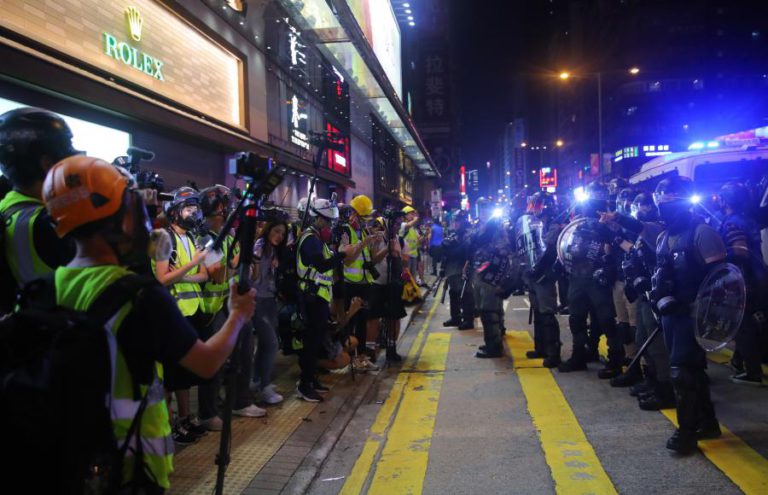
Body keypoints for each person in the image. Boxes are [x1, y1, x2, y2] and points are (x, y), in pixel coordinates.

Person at [42, 155, 255, 492]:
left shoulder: (48, 285)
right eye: (135, 205)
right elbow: (207, 362)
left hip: (71, 457)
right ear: (119, 218)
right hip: (132, 463)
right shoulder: (139, 296)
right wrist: (238, 315)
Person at [652, 175, 724, 454]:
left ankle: (687, 431)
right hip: (670, 314)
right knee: (691, 370)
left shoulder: (702, 233)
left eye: (669, 201)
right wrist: (657, 296)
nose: (663, 207)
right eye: (661, 202)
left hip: (695, 314)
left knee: (682, 372)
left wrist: (695, 305)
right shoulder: (662, 237)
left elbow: (722, 280)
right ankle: (707, 421)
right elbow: (661, 274)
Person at [152, 187, 214, 443]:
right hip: (172, 315)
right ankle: (170, 426)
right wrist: (191, 266)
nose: (194, 212)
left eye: (195, 208)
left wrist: (184, 273)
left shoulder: (192, 238)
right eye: (188, 208)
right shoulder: (162, 238)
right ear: (175, 211)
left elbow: (204, 275)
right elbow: (162, 279)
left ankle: (186, 419)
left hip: (193, 313)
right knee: (170, 375)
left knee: (184, 376)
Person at [0, 107, 77, 311]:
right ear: (47, 163)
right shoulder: (49, 224)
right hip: (60, 335)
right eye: (67, 153)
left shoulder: (7, 208)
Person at [558, 181, 624, 376]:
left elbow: (618, 245)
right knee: (577, 318)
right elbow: (569, 241)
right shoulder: (579, 220)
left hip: (599, 276)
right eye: (592, 192)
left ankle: (615, 360)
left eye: (598, 193)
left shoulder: (612, 218)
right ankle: (581, 354)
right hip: (578, 274)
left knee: (605, 320)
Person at [295, 197, 347, 402]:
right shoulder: (310, 239)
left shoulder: (318, 239)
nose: (329, 225)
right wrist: (341, 254)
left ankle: (311, 379)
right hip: (311, 298)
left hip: (319, 298)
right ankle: (304, 384)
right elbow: (322, 265)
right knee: (310, 343)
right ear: (316, 218)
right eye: (326, 220)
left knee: (316, 343)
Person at [716, 182, 766, 386]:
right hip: (757, 275)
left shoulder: (731, 223)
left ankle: (752, 371)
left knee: (743, 326)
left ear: (727, 200)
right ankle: (739, 361)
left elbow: (740, 251)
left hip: (744, 279)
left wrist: (717, 256)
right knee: (746, 325)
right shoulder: (748, 219)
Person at [339, 194, 384, 365]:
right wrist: (363, 244)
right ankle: (351, 358)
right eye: (364, 217)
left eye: (368, 217)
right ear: (354, 214)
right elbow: (347, 260)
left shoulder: (364, 231)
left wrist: (378, 245)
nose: (367, 221)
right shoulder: (345, 231)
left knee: (364, 320)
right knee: (351, 323)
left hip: (365, 283)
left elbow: (372, 259)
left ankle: (362, 356)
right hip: (350, 284)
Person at [521, 192, 563, 368]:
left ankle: (553, 352)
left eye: (536, 205)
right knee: (537, 310)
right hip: (533, 273)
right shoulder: (532, 222)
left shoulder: (554, 224)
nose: (533, 208)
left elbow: (547, 248)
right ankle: (540, 347)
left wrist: (537, 269)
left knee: (546, 313)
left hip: (544, 274)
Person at [251, 219, 289, 404]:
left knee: (267, 344)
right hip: (258, 300)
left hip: (269, 300)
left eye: (282, 233)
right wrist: (257, 261)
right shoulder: (260, 245)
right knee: (271, 344)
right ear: (268, 230)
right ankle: (264, 387)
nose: (279, 236)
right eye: (276, 231)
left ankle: (257, 380)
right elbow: (255, 277)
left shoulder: (273, 249)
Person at [369, 216, 408, 362]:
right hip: (378, 284)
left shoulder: (401, 240)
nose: (396, 227)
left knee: (394, 317)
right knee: (373, 317)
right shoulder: (377, 239)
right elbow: (373, 260)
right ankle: (370, 351)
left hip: (394, 284)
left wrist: (397, 253)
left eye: (398, 224)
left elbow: (405, 262)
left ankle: (392, 349)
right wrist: (387, 249)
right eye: (394, 224)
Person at [400, 205, 423, 285]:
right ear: (405, 215)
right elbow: (408, 226)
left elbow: (419, 241)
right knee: (406, 278)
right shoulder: (402, 224)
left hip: (413, 256)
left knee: (413, 277)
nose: (413, 216)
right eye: (411, 214)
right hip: (406, 257)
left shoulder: (413, 228)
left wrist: (424, 236)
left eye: (414, 214)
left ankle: (412, 294)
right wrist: (416, 219)